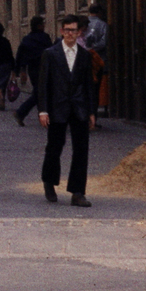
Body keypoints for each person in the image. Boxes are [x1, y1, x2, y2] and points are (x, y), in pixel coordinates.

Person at [37, 14, 97, 207]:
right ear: (62, 31)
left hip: (79, 107)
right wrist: (43, 111)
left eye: (74, 30)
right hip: (57, 107)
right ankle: (49, 181)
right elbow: (43, 84)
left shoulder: (85, 55)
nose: (71, 34)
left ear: (79, 32)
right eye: (67, 30)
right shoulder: (51, 54)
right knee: (55, 146)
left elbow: (89, 85)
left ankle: (77, 192)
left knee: (81, 150)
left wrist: (91, 112)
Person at [13, 15, 54, 126]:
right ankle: (21, 112)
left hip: (33, 69)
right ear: (39, 26)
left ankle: (42, 116)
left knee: (39, 92)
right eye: (43, 24)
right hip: (44, 69)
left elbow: (20, 56)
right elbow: (51, 53)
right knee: (41, 93)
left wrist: (20, 70)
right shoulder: (45, 38)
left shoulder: (27, 39)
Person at [84, 4, 110, 118]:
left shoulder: (83, 23)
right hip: (98, 60)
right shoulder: (103, 24)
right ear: (100, 12)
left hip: (83, 60)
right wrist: (93, 49)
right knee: (95, 89)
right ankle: (93, 115)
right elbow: (104, 43)